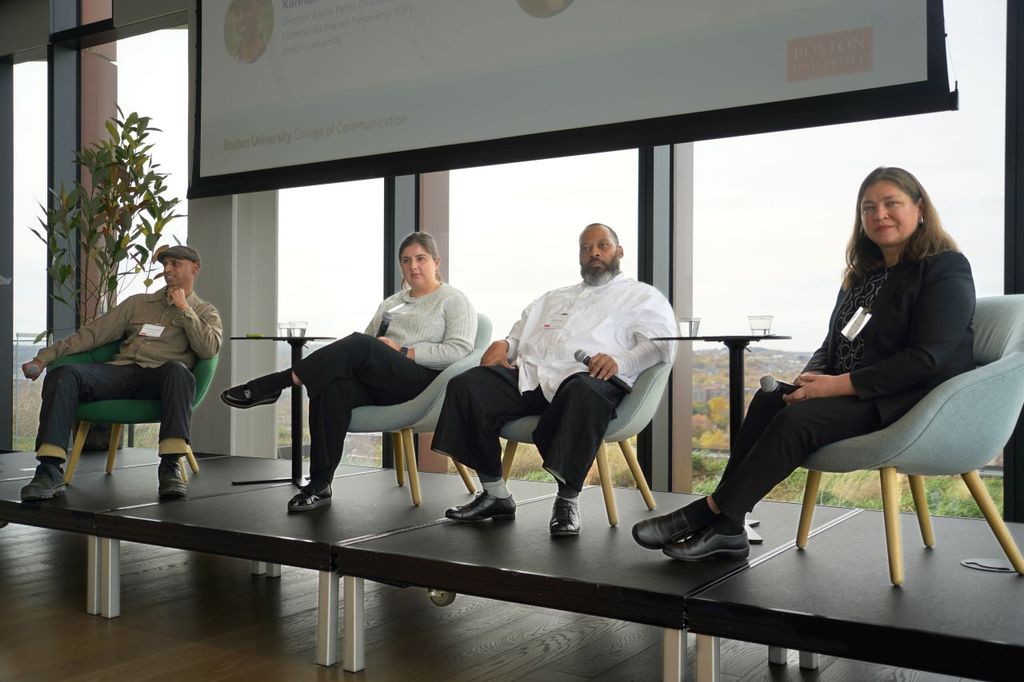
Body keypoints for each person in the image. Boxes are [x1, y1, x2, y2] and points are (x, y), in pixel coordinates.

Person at [633, 166, 976, 561]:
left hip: (908, 401)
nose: (879, 215)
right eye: (868, 208)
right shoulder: (862, 276)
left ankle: (710, 512)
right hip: (852, 394)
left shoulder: (945, 268)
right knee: (770, 400)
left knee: (797, 421)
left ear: (919, 208)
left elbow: (926, 359)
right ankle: (728, 527)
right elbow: (833, 343)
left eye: (891, 204)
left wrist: (835, 386)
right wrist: (808, 379)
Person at [432, 223, 676, 536]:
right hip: (532, 376)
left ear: (619, 251)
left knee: (583, 391)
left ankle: (567, 500)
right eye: (586, 248)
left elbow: (662, 344)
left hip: (592, 379)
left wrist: (621, 360)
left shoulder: (642, 297)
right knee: (468, 385)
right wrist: (505, 345)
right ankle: (496, 494)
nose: (594, 253)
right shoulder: (554, 297)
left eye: (602, 245)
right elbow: (519, 333)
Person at [221, 232, 477, 512]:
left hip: (423, 382)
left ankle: (275, 383)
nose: (413, 266)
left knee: (357, 343)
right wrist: (375, 352)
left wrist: (404, 351)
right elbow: (366, 345)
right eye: (406, 260)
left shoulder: (453, 301)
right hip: (382, 379)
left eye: (420, 259)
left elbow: (459, 350)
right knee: (331, 386)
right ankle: (320, 484)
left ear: (436, 262)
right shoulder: (391, 303)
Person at [20, 245, 223, 501]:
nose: (167, 270)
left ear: (194, 268)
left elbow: (208, 349)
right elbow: (93, 333)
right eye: (164, 265)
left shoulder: (205, 312)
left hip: (161, 378)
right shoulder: (139, 303)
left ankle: (170, 466)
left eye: (175, 264)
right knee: (64, 374)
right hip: (121, 372)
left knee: (179, 372)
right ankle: (49, 470)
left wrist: (184, 309)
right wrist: (44, 357)